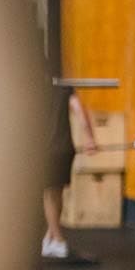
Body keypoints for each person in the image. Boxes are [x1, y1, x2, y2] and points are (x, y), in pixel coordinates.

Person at [42, 76, 97, 259]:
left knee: (49, 195)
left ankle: (58, 240)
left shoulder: (35, 87)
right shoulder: (64, 87)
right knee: (57, 193)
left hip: (47, 149)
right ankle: (50, 237)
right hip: (65, 148)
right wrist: (90, 138)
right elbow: (79, 110)